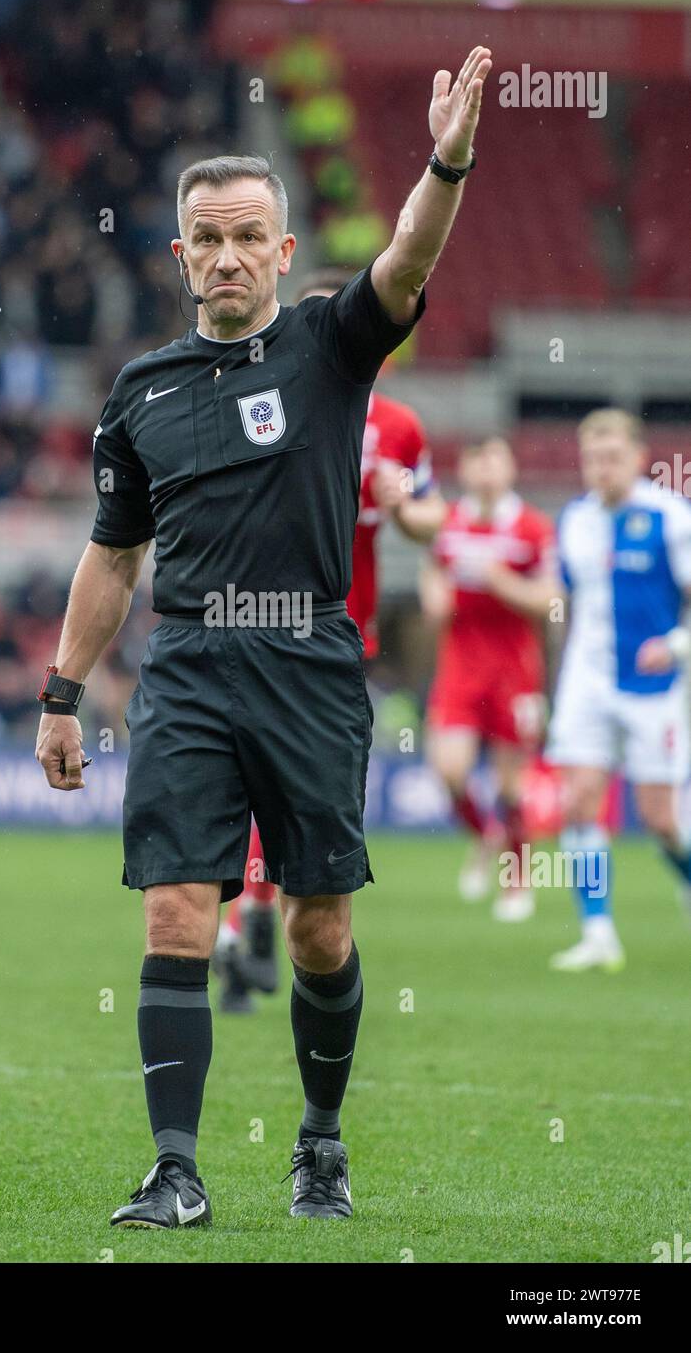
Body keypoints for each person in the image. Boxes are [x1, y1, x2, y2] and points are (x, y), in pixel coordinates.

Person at [34, 45, 492, 1229]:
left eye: (250, 235)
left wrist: (445, 158)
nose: (227, 254)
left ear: (283, 253)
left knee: (316, 923)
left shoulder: (331, 344)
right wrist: (61, 687)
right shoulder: (139, 390)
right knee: (175, 907)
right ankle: (175, 1169)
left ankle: (321, 1142)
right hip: (185, 667)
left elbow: (409, 255)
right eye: (207, 236)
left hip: (306, 660)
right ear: (178, 251)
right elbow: (114, 551)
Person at [214, 265, 445, 1014]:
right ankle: (245, 916)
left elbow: (431, 521)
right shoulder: (263, 410)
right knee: (264, 780)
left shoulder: (398, 427)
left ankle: (246, 923)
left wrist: (401, 506)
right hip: (265, 622)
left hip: (346, 634)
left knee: (298, 790)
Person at [546, 409, 691, 971]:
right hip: (587, 681)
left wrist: (675, 646)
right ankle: (598, 932)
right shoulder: (575, 520)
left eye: (612, 456)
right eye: (591, 458)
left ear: (637, 456)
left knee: (661, 820)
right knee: (579, 800)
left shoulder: (671, 517)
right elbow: (561, 600)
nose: (601, 468)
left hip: (655, 686)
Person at [421, 437, 556, 921]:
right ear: (466, 468)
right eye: (476, 460)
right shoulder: (450, 523)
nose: (485, 470)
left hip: (516, 671)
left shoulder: (533, 528)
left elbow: (552, 600)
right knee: (450, 772)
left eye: (494, 459)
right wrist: (434, 595)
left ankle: (517, 877)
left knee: (511, 785)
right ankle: (486, 837)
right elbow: (433, 569)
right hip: (460, 666)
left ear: (511, 467)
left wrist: (505, 584)